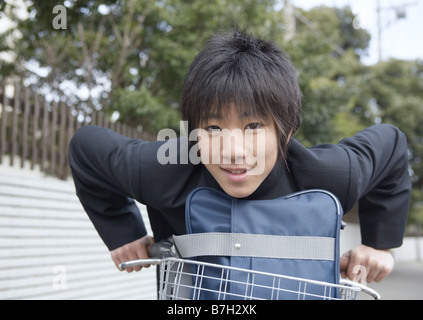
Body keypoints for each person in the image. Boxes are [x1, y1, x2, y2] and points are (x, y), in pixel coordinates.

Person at [69, 28, 411, 284]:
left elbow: (393, 144)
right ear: (193, 132)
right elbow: (86, 147)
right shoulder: (161, 172)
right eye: (214, 128)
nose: (233, 153)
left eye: (253, 126)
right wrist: (124, 234)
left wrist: (379, 244)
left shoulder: (330, 177)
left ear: (287, 131)